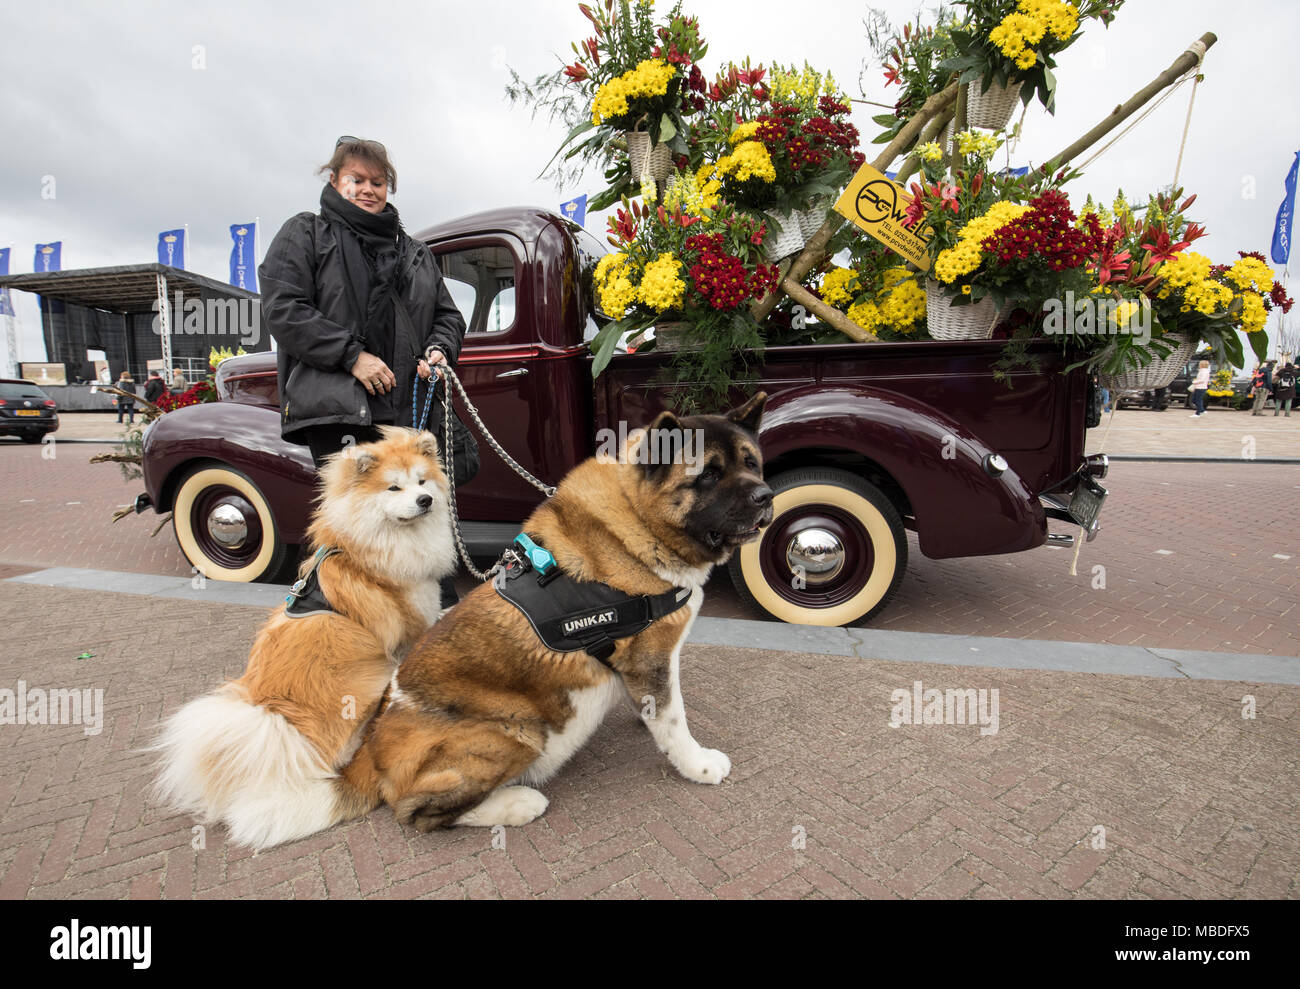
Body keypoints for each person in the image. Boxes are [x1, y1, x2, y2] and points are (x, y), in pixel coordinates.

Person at [259, 136, 471, 603]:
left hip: (407, 413)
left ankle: (434, 622)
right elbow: (283, 308)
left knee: (422, 522)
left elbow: (448, 316)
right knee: (361, 537)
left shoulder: (415, 252)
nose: (367, 189)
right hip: (343, 414)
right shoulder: (306, 233)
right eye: (356, 179)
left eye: (378, 181)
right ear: (335, 181)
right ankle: (358, 625)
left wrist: (439, 348)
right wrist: (351, 356)